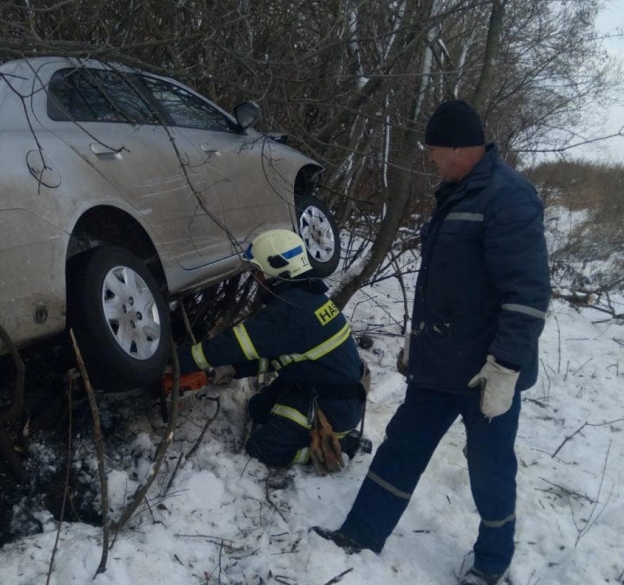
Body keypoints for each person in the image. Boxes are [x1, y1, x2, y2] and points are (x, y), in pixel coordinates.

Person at [313, 100, 550, 585]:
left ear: (462, 149)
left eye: (435, 150)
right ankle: (360, 533)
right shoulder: (459, 193)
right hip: (439, 364)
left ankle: (491, 563)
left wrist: (506, 366)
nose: (431, 159)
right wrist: (417, 342)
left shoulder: (509, 198)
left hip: (487, 373)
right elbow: (445, 285)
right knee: (401, 447)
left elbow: (526, 294)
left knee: (490, 470)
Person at [172, 229, 367, 471]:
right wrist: (225, 370)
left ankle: (341, 443)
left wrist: (180, 361)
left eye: (259, 272)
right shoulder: (308, 299)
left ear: (279, 270)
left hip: (330, 405)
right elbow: (276, 357)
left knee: (263, 450)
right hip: (315, 385)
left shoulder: (289, 313)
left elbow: (234, 344)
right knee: (257, 410)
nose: (257, 279)